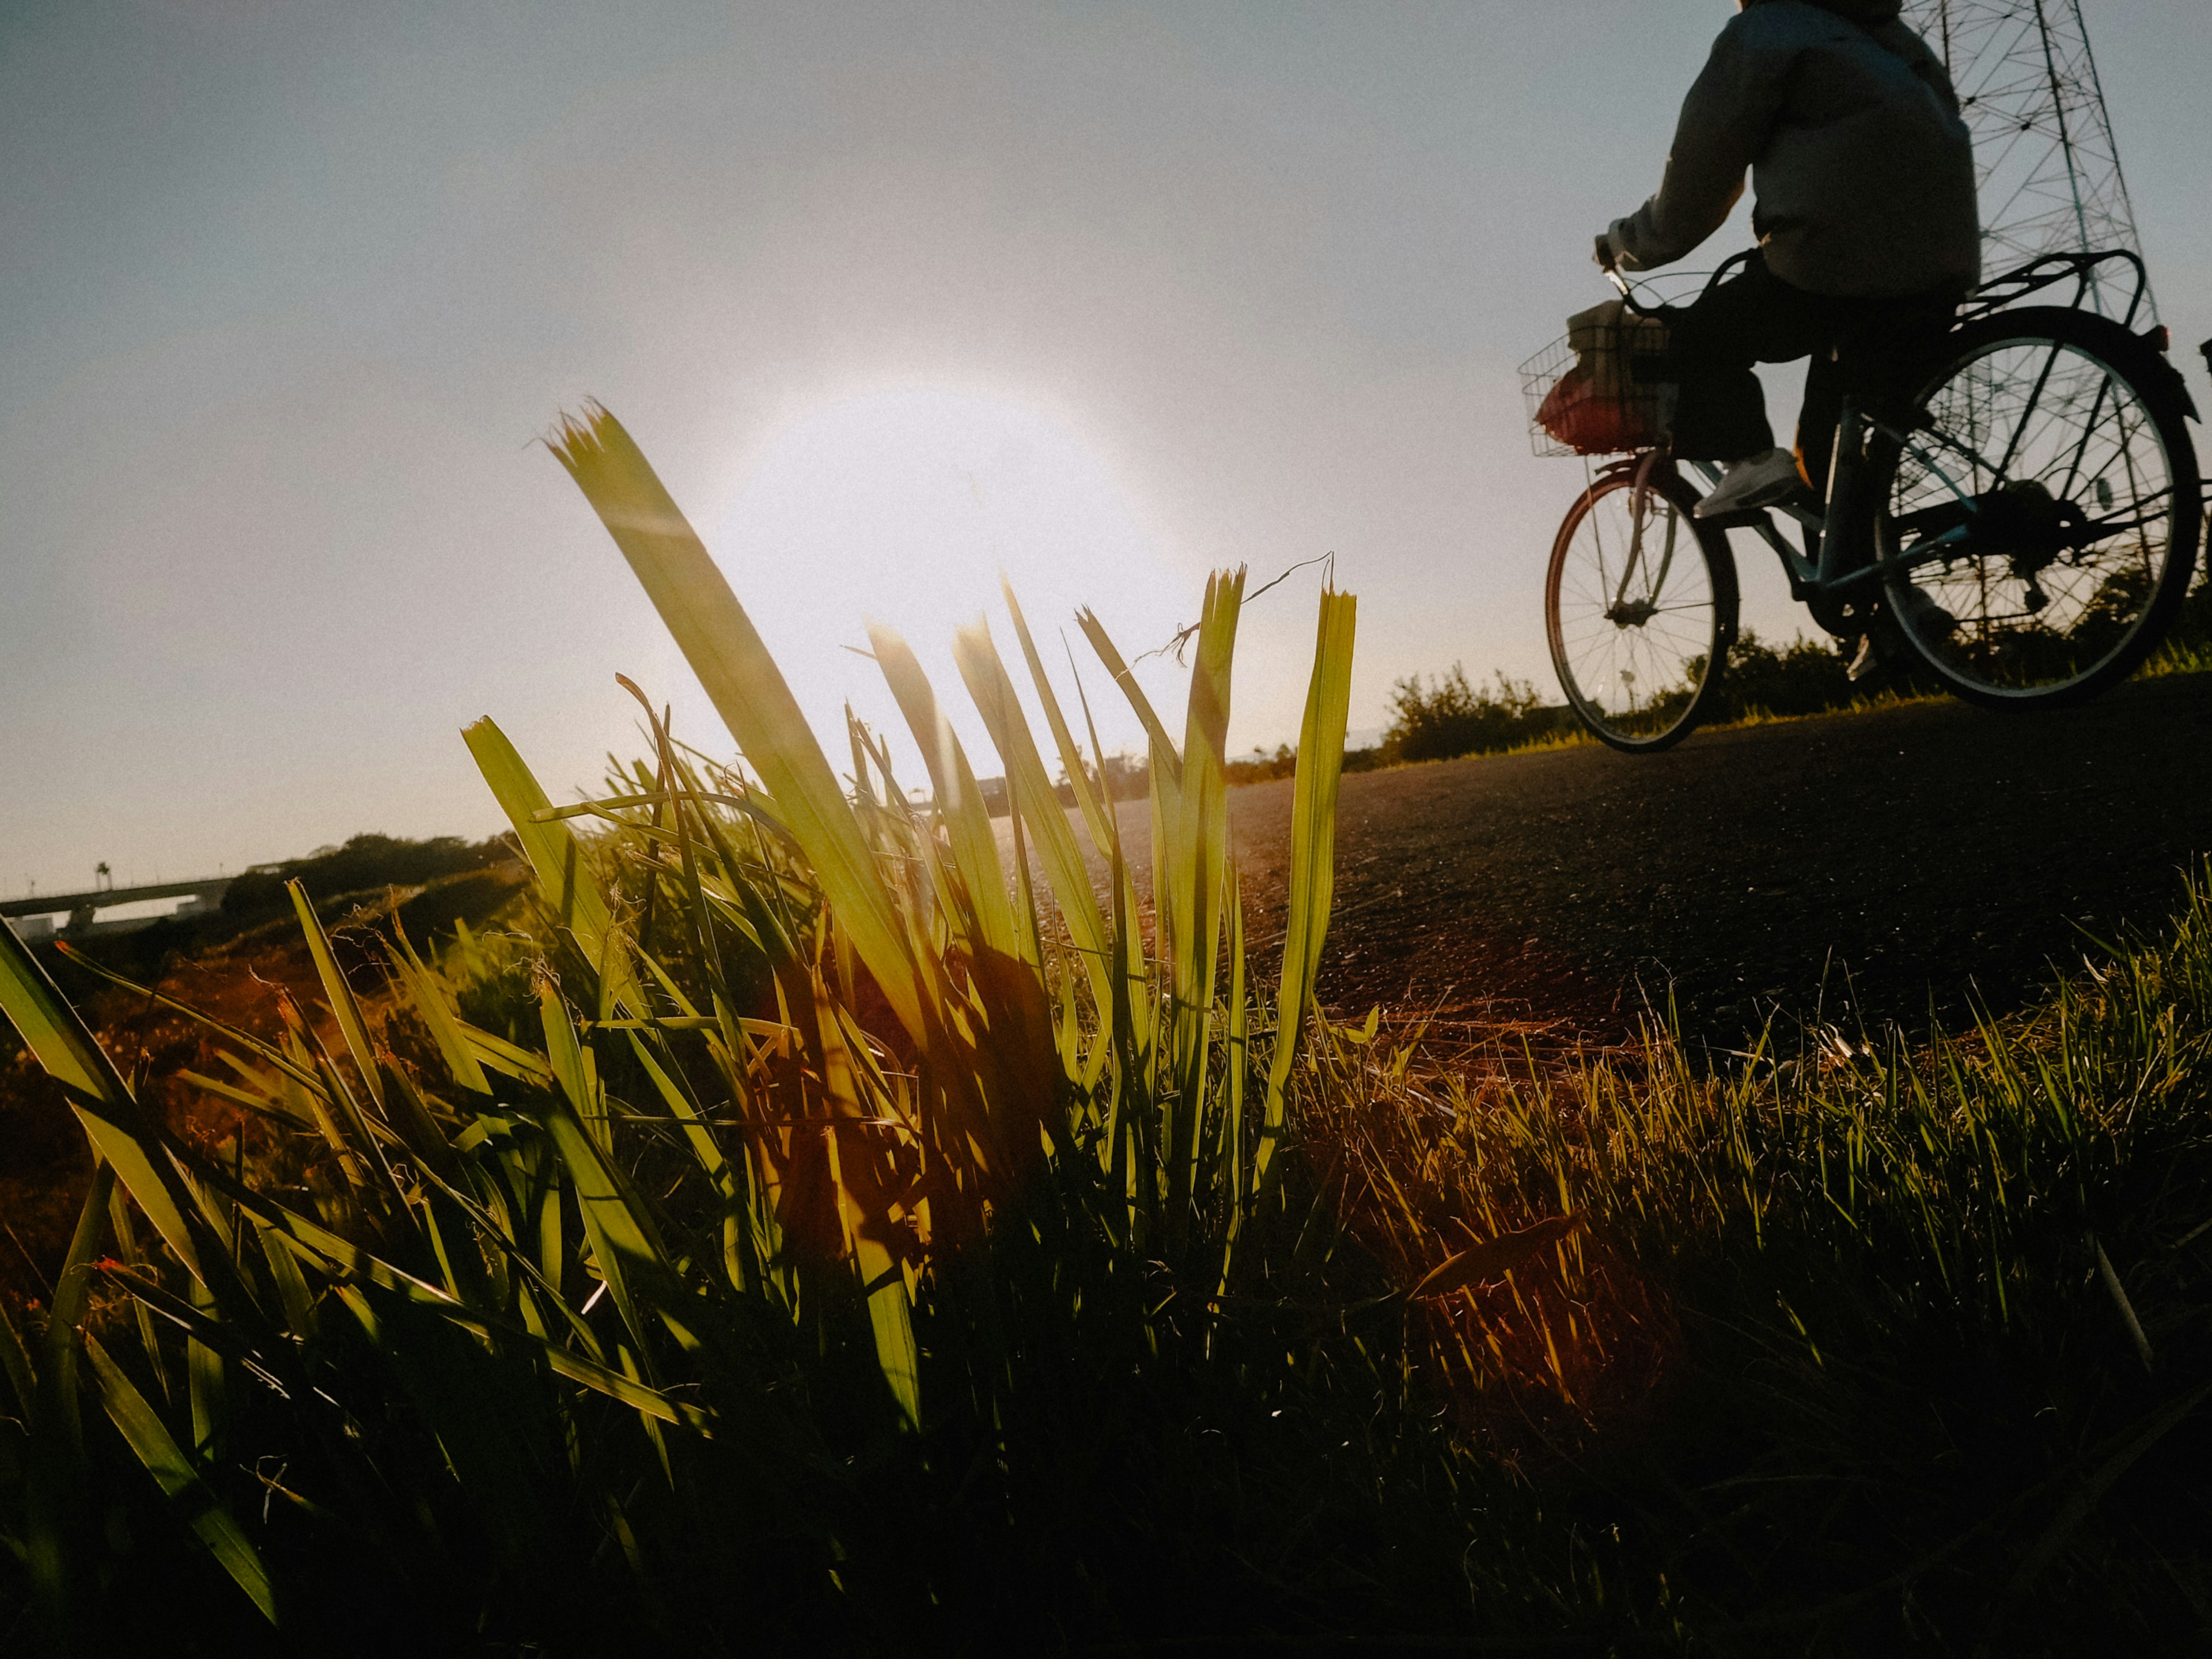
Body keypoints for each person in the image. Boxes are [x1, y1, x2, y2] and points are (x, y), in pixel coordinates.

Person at [1595, 0, 1980, 536]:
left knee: (1695, 337)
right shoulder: (1896, 41)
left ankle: (1749, 460)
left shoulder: (1765, 31)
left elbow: (1701, 177)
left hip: (1832, 256)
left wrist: (1627, 244)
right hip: (1939, 264)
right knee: (1828, 464)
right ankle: (1894, 601)